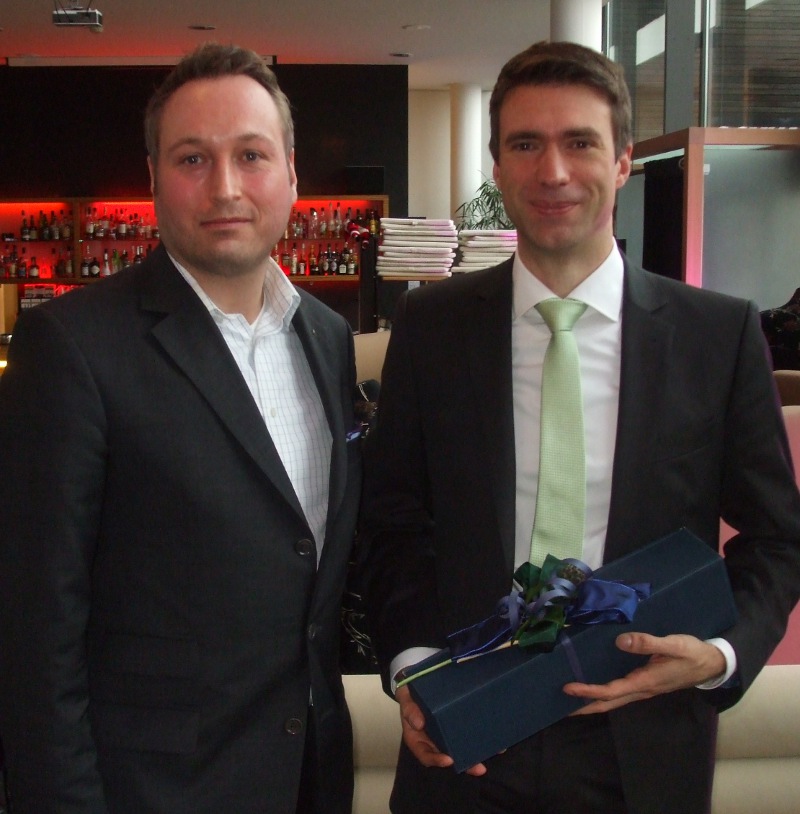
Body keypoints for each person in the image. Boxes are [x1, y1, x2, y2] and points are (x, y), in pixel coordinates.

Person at [360, 41, 800, 814]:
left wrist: (720, 654)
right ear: (498, 168)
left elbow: (777, 538)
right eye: (526, 144)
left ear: (623, 161)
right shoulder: (430, 328)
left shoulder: (716, 335)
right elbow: (392, 524)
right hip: (466, 736)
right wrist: (417, 668)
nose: (553, 171)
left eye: (581, 143)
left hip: (645, 738)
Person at [0, 43, 361, 814]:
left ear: (292, 174)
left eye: (251, 155)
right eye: (193, 158)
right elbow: (36, 630)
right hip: (153, 790)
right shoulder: (73, 347)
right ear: (154, 177)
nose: (225, 186)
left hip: (308, 780)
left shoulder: (327, 339)